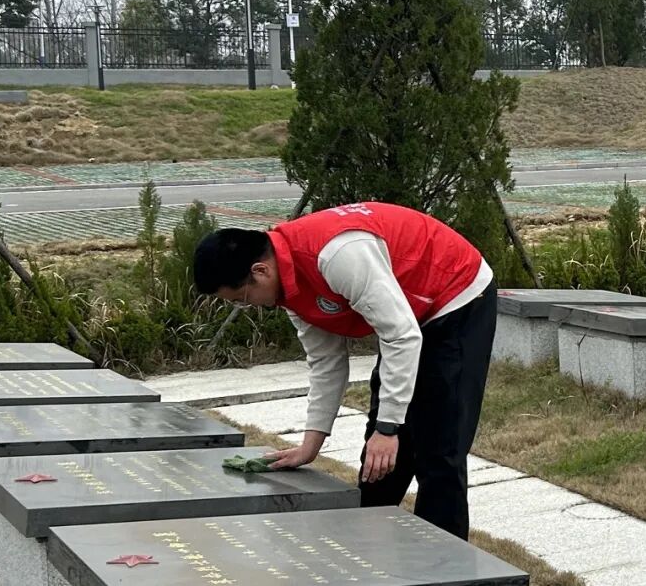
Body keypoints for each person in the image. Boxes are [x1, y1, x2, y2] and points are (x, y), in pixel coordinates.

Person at [193, 202, 497, 540]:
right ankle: (364, 547)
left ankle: (443, 560)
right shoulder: (290, 287)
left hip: (456, 292)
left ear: (260, 271)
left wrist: (388, 428)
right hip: (407, 315)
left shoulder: (338, 255)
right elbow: (327, 362)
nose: (246, 305)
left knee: (439, 447)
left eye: (241, 298)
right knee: (380, 452)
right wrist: (311, 445)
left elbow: (402, 336)